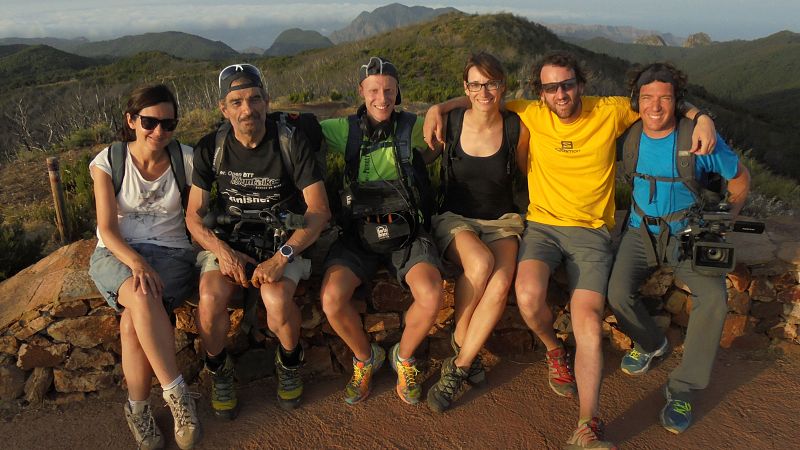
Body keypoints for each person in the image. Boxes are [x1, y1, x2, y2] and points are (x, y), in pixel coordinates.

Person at [424, 51, 718, 449]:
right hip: (542, 227)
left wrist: (702, 116)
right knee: (527, 298)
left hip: (591, 233)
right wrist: (437, 108)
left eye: (567, 84)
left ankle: (587, 424)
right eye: (551, 87)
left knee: (588, 321)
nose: (560, 94)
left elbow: (660, 100)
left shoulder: (609, 111)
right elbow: (479, 97)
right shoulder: (530, 111)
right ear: (540, 93)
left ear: (580, 84)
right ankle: (552, 349)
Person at [607, 62, 750, 434]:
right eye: (647, 97)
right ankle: (652, 343)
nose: (655, 106)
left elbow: (740, 180)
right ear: (636, 101)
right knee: (617, 292)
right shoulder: (628, 135)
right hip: (640, 230)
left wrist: (725, 221)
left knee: (714, 299)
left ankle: (684, 388)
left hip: (688, 231)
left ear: (677, 101)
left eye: (665, 98)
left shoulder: (699, 140)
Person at [185, 64, 330, 416]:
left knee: (276, 298)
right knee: (210, 297)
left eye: (253, 99)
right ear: (224, 109)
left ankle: (290, 363)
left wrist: (281, 258)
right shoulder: (212, 147)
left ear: (266, 101)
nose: (246, 109)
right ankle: (219, 371)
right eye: (236, 102)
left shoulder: (289, 142)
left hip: (281, 239)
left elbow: (319, 210)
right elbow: (193, 215)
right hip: (229, 241)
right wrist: (223, 253)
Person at [318, 56, 443, 406]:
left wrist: (441, 106)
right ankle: (364, 356)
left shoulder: (413, 126)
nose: (382, 98)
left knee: (431, 294)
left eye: (389, 90)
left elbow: (463, 116)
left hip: (406, 230)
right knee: (331, 299)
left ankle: (403, 358)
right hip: (359, 232)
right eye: (373, 90)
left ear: (398, 91)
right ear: (361, 91)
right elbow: (300, 129)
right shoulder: (345, 130)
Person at [88, 84, 201, 450]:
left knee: (131, 320)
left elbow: (197, 218)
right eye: (150, 122)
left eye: (168, 124)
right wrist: (136, 262)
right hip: (118, 252)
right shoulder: (110, 160)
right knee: (140, 290)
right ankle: (177, 394)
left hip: (172, 254)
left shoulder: (187, 160)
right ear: (131, 120)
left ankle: (137, 409)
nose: (159, 132)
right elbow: (107, 227)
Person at [425, 53, 529, 413]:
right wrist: (435, 108)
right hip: (455, 218)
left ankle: (459, 365)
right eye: (476, 84)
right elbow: (419, 161)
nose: (484, 91)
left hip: (503, 220)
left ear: (502, 85)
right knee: (481, 264)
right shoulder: (450, 123)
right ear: (465, 88)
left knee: (501, 282)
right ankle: (464, 348)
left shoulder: (517, 126)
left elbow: (526, 175)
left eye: (492, 83)